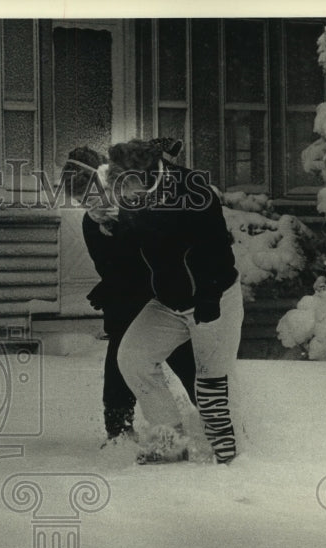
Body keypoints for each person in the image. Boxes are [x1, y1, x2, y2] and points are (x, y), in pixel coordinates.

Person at [103, 138, 243, 465]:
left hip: (215, 299)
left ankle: (230, 459)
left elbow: (215, 247)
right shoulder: (133, 196)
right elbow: (131, 248)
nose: (125, 196)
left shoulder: (194, 192)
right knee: (133, 358)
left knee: (211, 386)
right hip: (169, 303)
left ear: (149, 174)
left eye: (129, 188)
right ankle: (171, 442)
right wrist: (113, 227)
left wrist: (208, 296)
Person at [61, 145, 197, 447]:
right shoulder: (91, 225)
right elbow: (109, 265)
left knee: (188, 361)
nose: (90, 205)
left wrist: (125, 224)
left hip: (166, 298)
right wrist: (110, 282)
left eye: (92, 194)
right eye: (82, 200)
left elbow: (157, 255)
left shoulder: (138, 205)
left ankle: (218, 423)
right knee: (121, 359)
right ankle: (119, 428)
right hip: (127, 301)